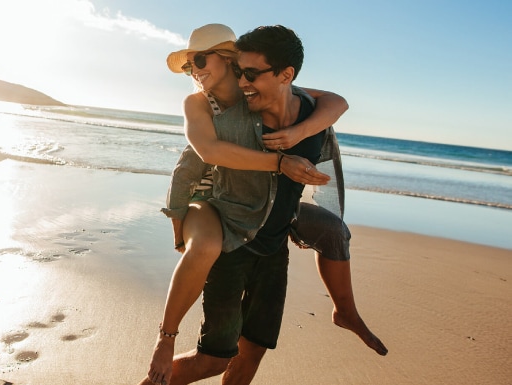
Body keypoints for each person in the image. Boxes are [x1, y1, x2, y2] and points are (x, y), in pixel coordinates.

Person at [139, 24, 385, 385]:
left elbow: (336, 102)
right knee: (213, 358)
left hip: (274, 242)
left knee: (254, 348)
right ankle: (162, 348)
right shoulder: (215, 109)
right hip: (226, 225)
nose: (195, 70)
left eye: (200, 59)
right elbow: (196, 161)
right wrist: (179, 226)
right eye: (190, 65)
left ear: (229, 60)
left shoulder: (280, 100)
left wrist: (301, 133)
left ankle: (345, 311)